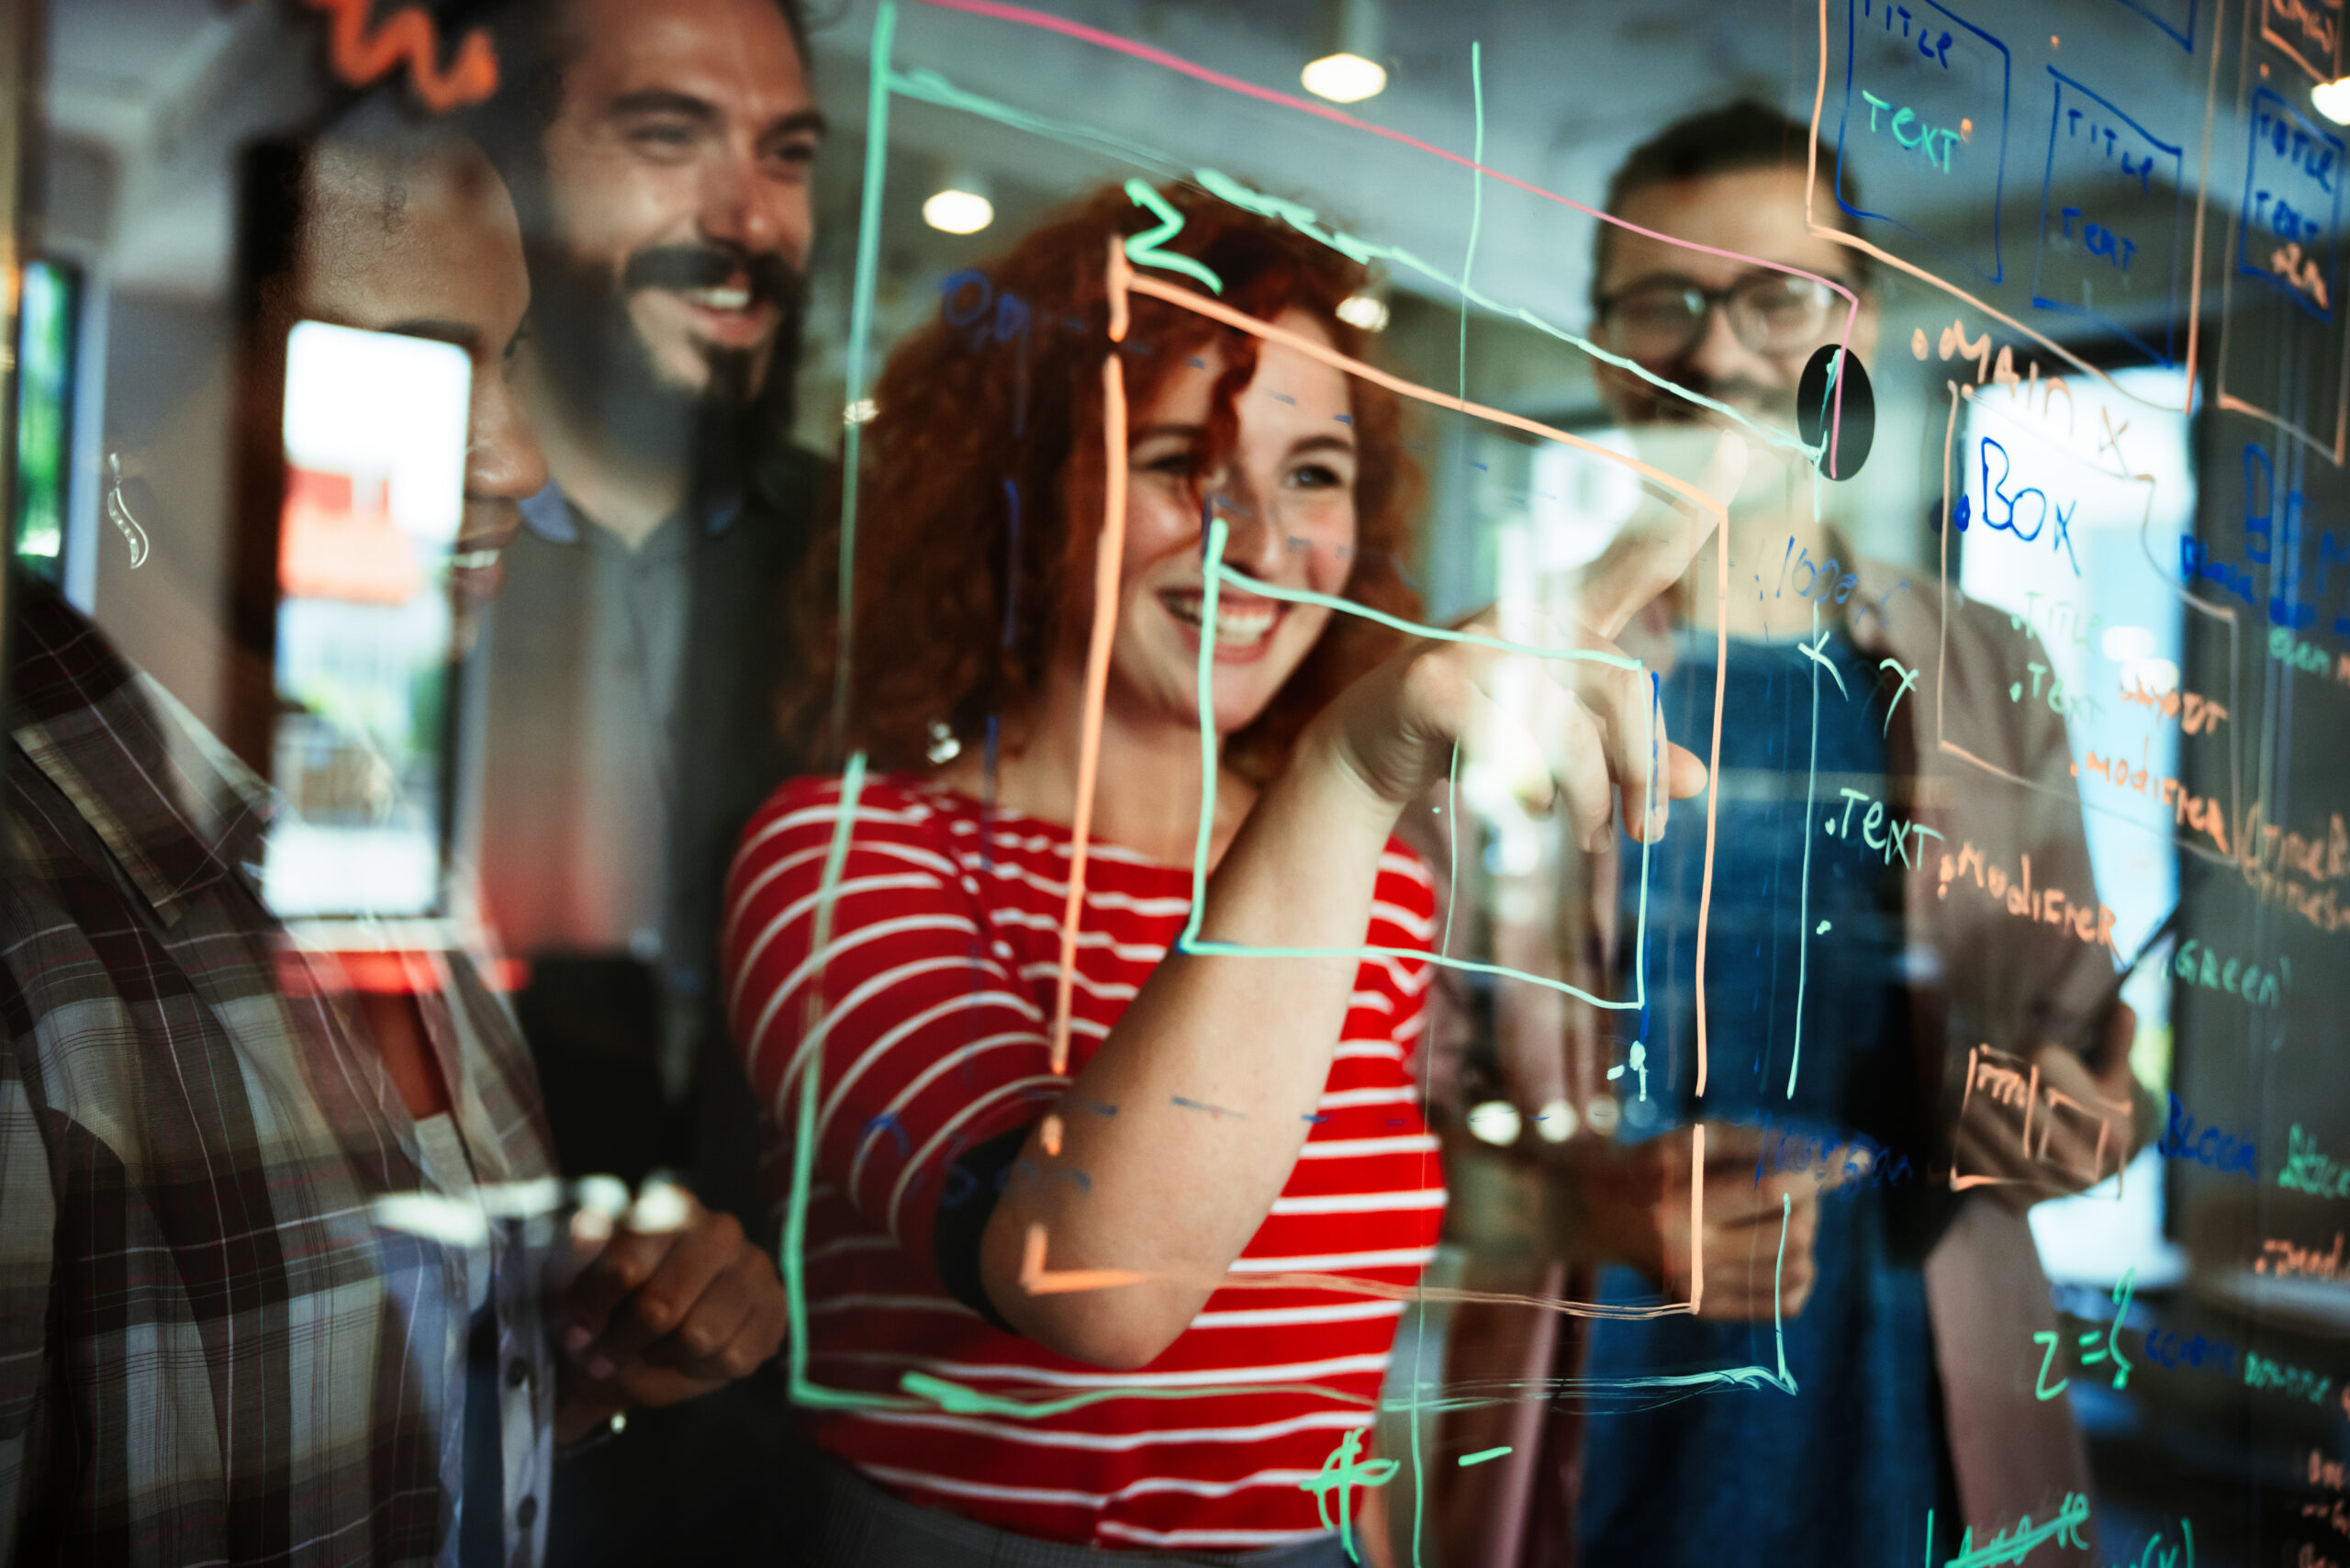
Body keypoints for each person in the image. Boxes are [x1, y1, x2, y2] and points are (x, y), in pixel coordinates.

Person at [719, 182, 1738, 1564]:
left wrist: (1600, 1208)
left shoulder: (1376, 876)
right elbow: (1090, 1287)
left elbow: (1321, 1272)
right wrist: (1348, 770)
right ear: (1019, 488)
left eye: (1312, 472)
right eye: (1179, 460)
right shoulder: (846, 853)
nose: (1260, 542)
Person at [0, 121, 784, 1566]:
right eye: (417, 364)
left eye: (509, 357)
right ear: (147, 379)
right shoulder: (34, 928)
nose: (523, 460)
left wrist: (581, 1368)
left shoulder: (360, 823)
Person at [1432, 102, 2147, 1568]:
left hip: (1913, 1365)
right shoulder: (1490, 667)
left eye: (1774, 298)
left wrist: (2050, 1118)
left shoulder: (1989, 672)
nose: (1717, 351)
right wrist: (1594, 1201)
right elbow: (1410, 1108)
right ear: (1600, 345)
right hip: (1598, 1359)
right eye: (1662, 303)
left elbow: (2097, 1083)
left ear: (1856, 330)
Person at [461, 0, 827, 1556]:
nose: (748, 217)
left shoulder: (886, 569)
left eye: (788, 153)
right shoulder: (378, 537)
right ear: (512, 176)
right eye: (667, 137)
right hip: (440, 1389)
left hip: (803, 1433)